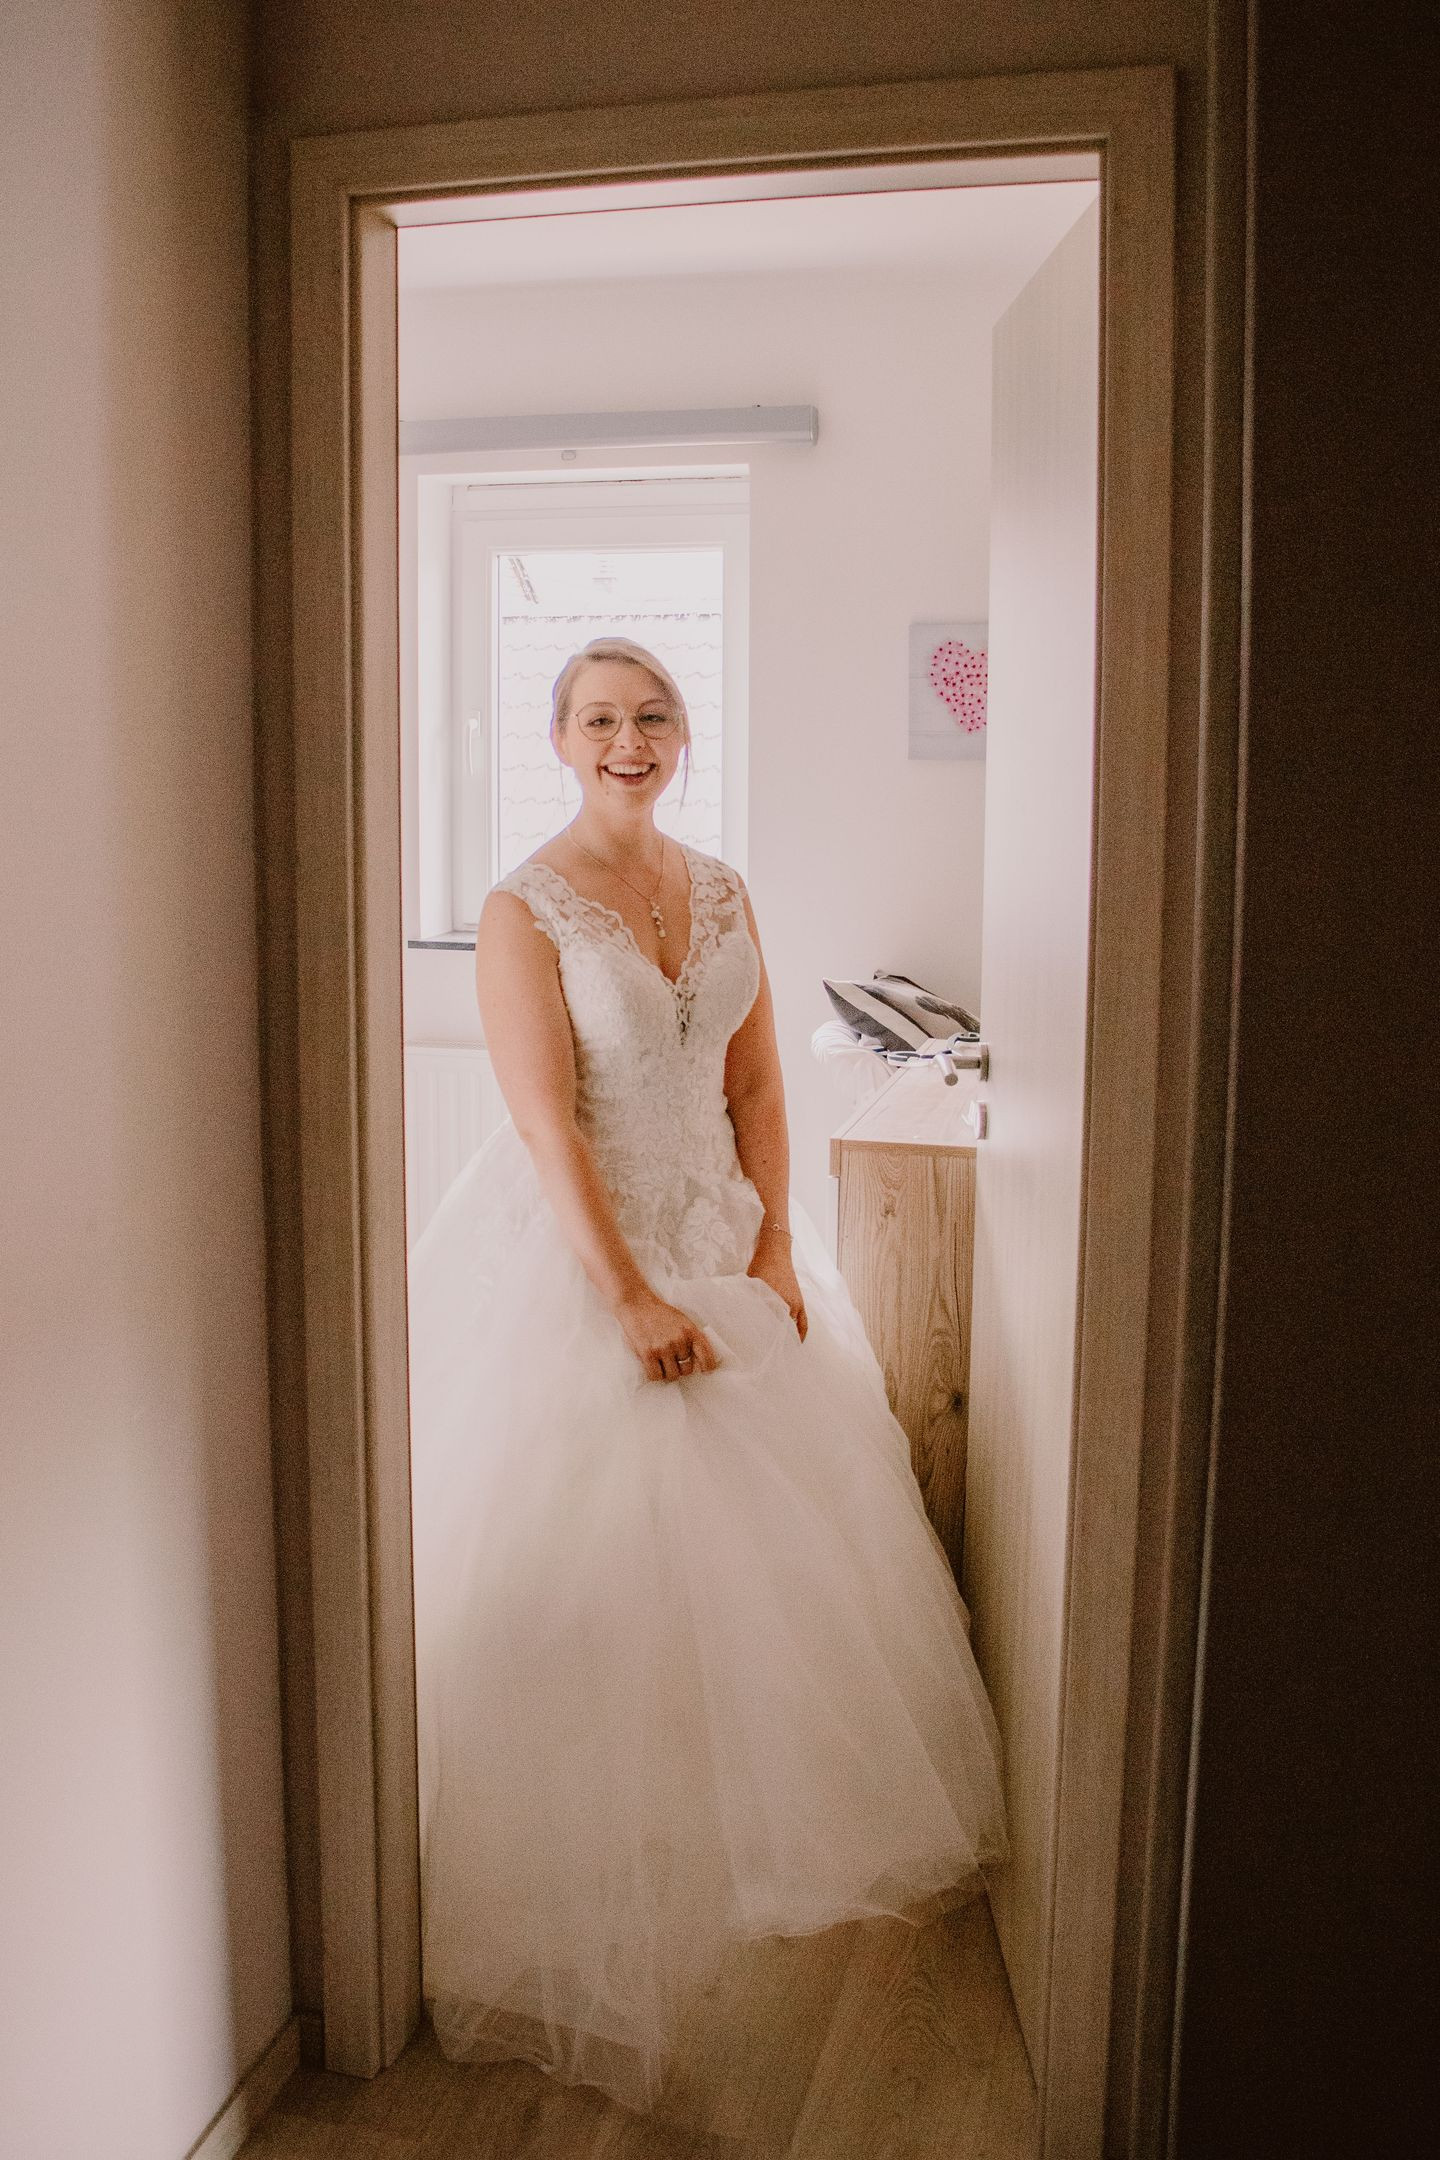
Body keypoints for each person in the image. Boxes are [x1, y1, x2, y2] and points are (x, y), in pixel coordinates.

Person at [406, 636, 1008, 2116]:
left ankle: (728, 1848)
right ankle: (584, 1868)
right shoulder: (522, 908)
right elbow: (545, 1122)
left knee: (768, 1576)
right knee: (593, 1558)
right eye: (601, 720)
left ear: (683, 735)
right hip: (588, 1255)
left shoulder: (726, 888)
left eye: (654, 717)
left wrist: (779, 1244)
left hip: (732, 1248)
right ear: (560, 741)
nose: (631, 741)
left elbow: (756, 1080)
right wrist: (624, 1295)